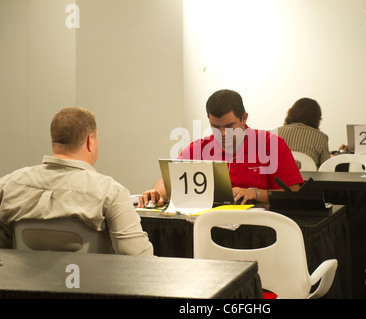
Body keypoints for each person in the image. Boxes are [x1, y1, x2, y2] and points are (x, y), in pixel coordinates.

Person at [0, 107, 154, 256]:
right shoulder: (112, 193)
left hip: (24, 282)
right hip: (92, 282)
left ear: (54, 140)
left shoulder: (7, 186)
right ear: (90, 141)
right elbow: (138, 257)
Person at [138, 89, 304, 207]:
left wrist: (256, 193)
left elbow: (294, 194)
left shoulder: (271, 144)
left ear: (244, 118)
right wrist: (155, 192)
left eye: (229, 126)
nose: (223, 133)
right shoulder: (200, 148)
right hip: (210, 225)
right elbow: (170, 180)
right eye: (215, 127)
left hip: (260, 226)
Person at [275, 97, 331, 168]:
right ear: (316, 118)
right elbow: (326, 167)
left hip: (276, 178)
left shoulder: (273, 133)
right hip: (306, 179)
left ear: (291, 113)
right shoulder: (321, 137)